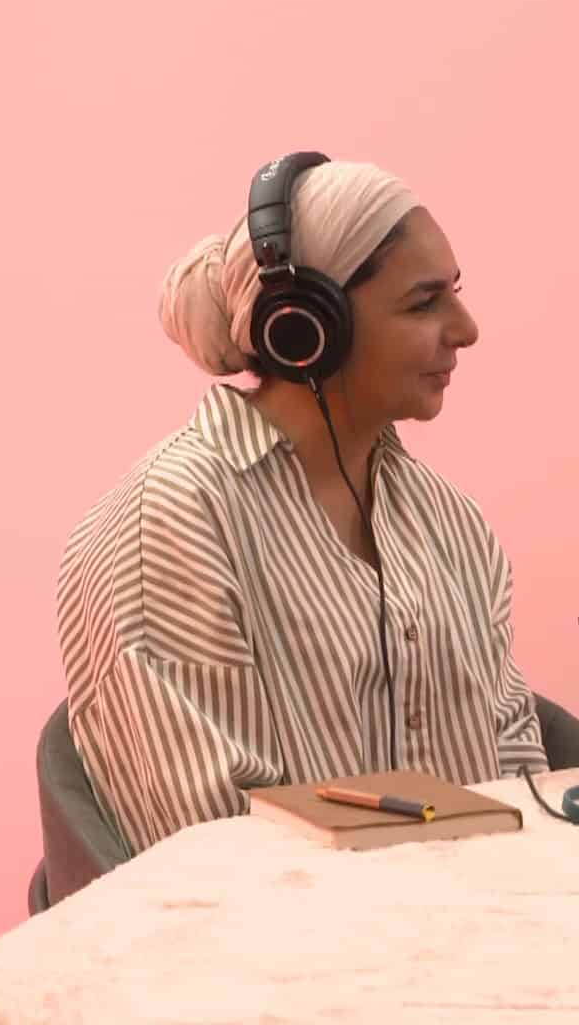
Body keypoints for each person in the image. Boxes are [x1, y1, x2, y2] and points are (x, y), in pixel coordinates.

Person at [56, 153, 547, 856]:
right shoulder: (169, 523)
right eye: (423, 302)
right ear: (307, 327)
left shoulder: (453, 524)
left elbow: (519, 778)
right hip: (284, 926)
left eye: (455, 293)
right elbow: (212, 849)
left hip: (488, 913)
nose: (466, 329)